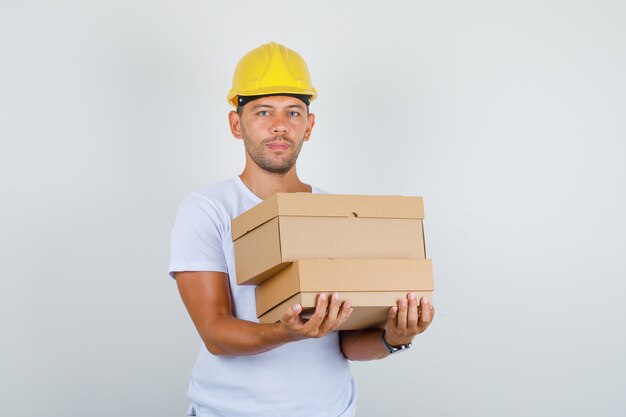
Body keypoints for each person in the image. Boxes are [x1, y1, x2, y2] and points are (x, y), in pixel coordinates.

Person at [169, 41, 435, 417]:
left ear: (309, 126)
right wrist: (285, 333)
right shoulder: (207, 209)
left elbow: (344, 343)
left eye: (293, 112)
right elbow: (214, 332)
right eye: (263, 111)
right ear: (235, 123)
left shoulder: (334, 213)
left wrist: (395, 338)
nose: (280, 125)